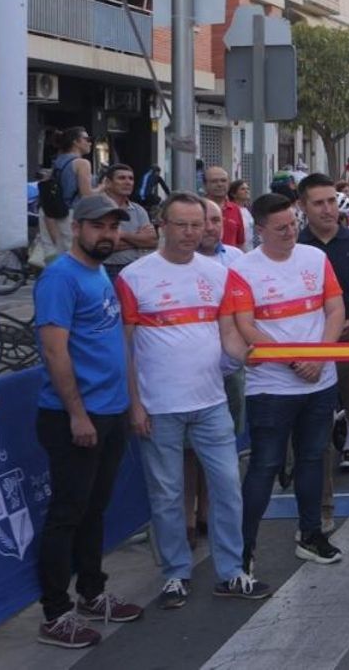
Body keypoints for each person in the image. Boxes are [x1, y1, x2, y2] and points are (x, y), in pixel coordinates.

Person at [117, 192, 271, 608]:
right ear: (161, 225)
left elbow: (229, 337)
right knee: (166, 494)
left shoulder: (219, 273)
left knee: (226, 488)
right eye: (180, 225)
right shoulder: (134, 276)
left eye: (197, 225)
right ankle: (175, 574)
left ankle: (233, 571)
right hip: (159, 406)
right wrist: (135, 405)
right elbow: (125, 350)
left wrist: (266, 356)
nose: (190, 233)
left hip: (210, 402)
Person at [32, 195, 144, 648]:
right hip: (75, 417)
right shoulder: (60, 277)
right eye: (98, 227)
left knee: (94, 510)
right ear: (77, 228)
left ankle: (92, 593)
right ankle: (55, 613)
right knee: (67, 514)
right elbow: (55, 351)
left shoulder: (99, 272)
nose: (108, 235)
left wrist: (128, 404)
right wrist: (78, 414)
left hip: (110, 411)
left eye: (114, 227)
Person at [229, 193, 346, 570]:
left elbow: (335, 309)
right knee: (265, 464)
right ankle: (243, 550)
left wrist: (321, 356)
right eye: (280, 228)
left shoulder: (315, 258)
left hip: (320, 381)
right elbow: (247, 326)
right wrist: (296, 360)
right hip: (271, 387)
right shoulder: (243, 269)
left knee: (313, 459)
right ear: (259, 229)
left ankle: (311, 534)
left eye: (293, 224)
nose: (290, 233)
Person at [296, 174, 349, 535]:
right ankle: (321, 511)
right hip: (309, 357)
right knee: (315, 439)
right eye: (318, 203)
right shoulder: (295, 247)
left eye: (332, 200)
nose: (328, 209)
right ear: (303, 207)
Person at [99, 164, 159, 281]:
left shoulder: (138, 210)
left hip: (134, 268)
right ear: (108, 182)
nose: (128, 182)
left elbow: (152, 242)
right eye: (122, 178)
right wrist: (138, 239)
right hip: (105, 269)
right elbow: (102, 246)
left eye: (131, 178)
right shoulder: (98, 208)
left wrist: (122, 235)